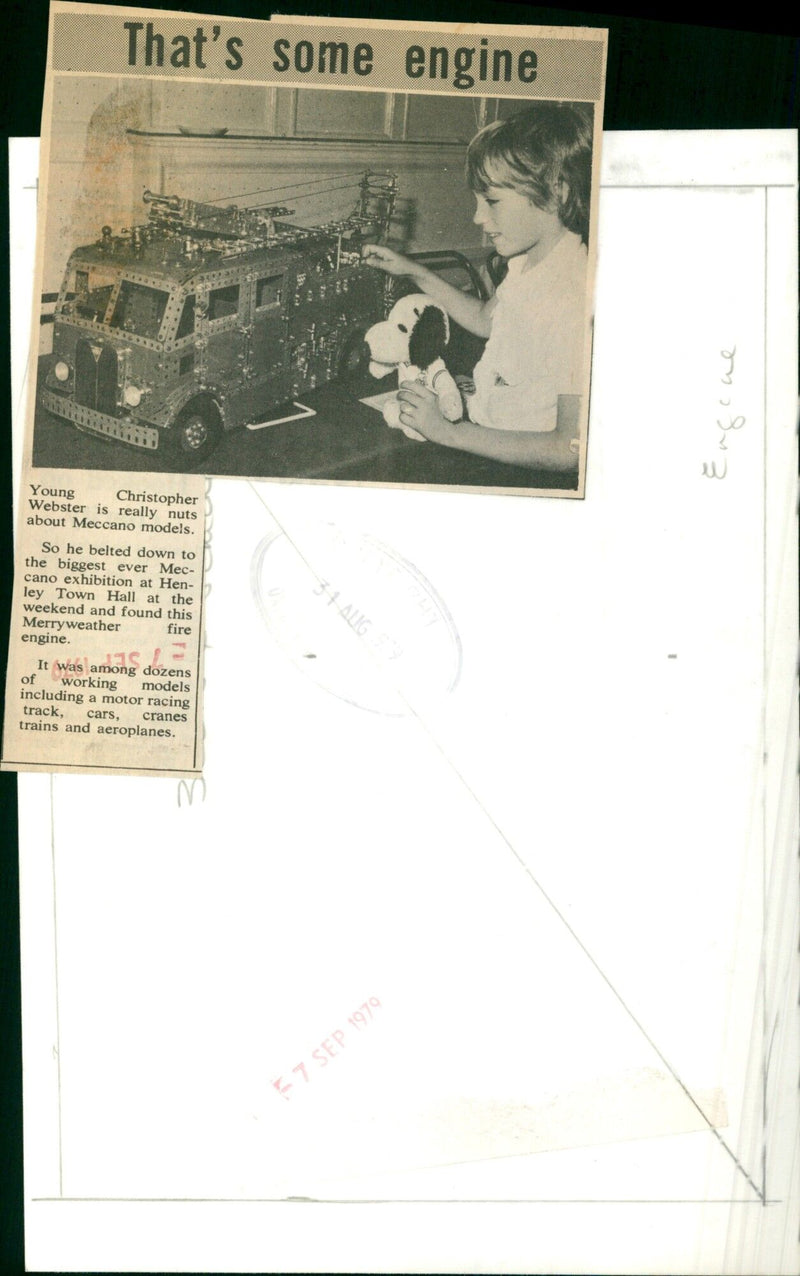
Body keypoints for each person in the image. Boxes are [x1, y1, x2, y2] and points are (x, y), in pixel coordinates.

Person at [363, 103, 592, 472]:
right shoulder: (530, 263)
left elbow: (570, 448)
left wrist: (450, 433)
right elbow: (486, 320)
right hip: (486, 431)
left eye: (493, 202)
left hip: (520, 469)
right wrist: (412, 271)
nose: (478, 217)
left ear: (557, 193)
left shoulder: (575, 296)